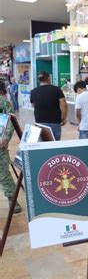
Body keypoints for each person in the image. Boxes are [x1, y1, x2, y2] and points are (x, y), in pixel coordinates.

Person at [0, 82, 21, 213]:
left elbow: (11, 119)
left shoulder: (3, 102)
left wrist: (5, 138)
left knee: (3, 174)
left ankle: (12, 200)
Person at [30, 71, 67, 140]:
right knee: (55, 143)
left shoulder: (33, 91)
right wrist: (64, 118)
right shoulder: (57, 89)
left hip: (39, 121)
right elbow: (63, 105)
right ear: (49, 78)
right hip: (55, 121)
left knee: (43, 144)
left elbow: (33, 105)